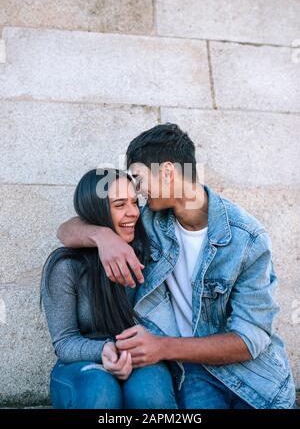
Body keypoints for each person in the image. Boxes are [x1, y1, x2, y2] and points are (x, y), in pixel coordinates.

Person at [57, 123, 296, 409]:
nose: (139, 192)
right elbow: (67, 230)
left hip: (256, 378)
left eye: (139, 179)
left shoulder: (247, 239)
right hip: (194, 373)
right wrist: (102, 237)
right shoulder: (152, 221)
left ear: (168, 173)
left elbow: (250, 339)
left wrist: (162, 347)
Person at [40, 168, 178, 409]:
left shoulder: (151, 253)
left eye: (135, 202)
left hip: (143, 356)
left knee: (149, 395)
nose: (133, 212)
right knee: (99, 392)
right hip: (82, 363)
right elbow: (64, 342)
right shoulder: (66, 267)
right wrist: (105, 349)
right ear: (96, 210)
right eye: (119, 204)